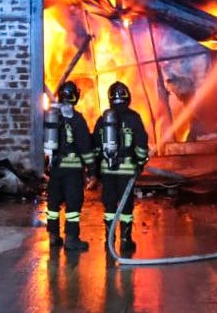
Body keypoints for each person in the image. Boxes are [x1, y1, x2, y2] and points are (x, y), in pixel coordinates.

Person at [92, 81, 149, 252]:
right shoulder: (134, 118)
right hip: (127, 170)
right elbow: (141, 146)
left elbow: (95, 146)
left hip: (107, 170)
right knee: (126, 207)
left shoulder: (103, 119)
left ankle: (109, 240)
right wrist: (140, 163)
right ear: (127, 97)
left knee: (109, 205)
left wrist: (95, 170)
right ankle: (125, 240)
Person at [44, 80, 96, 251]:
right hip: (73, 171)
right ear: (76, 97)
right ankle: (71, 238)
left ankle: (53, 236)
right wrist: (92, 170)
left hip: (55, 170)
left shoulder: (51, 116)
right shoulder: (78, 119)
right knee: (73, 205)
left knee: (53, 204)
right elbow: (85, 147)